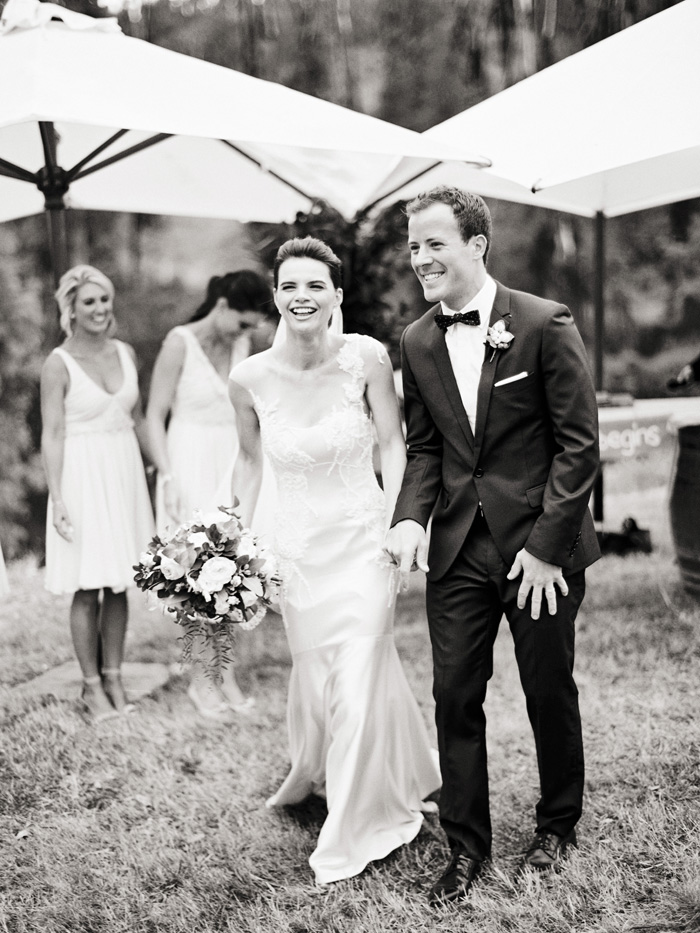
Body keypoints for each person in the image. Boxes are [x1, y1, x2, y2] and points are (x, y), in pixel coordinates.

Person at [384, 187, 601, 905]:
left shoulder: (543, 322)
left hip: (538, 550)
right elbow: (423, 447)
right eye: (414, 246)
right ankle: (465, 848)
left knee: (547, 689)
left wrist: (546, 547)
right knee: (454, 695)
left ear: (476, 244)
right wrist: (411, 518)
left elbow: (578, 446)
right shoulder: (417, 340)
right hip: (455, 549)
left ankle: (557, 825)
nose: (422, 258)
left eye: (435, 243)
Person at [228, 236, 441, 886]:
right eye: (290, 284)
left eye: (316, 285)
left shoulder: (368, 358)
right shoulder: (249, 379)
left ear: (337, 296)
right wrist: (232, 537)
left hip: (364, 541)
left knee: (355, 675)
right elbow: (248, 461)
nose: (302, 295)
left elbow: (394, 444)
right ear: (274, 295)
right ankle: (332, 771)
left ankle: (350, 828)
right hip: (298, 555)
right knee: (322, 677)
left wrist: (402, 522)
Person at [146, 270, 275, 721]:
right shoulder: (178, 342)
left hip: (230, 464)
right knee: (189, 576)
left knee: (230, 572)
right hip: (185, 460)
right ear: (220, 305)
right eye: (242, 322)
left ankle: (225, 673)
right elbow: (153, 415)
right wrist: (166, 475)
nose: (246, 332)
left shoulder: (243, 347)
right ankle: (203, 680)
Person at [41, 265, 154, 722]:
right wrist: (58, 498)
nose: (100, 309)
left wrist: (164, 470)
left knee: (120, 582)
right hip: (80, 476)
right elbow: (51, 434)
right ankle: (90, 686)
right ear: (71, 308)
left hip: (123, 472)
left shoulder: (125, 352)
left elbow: (140, 418)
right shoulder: (57, 363)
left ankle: (115, 674)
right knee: (88, 586)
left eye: (104, 299)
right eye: (89, 301)